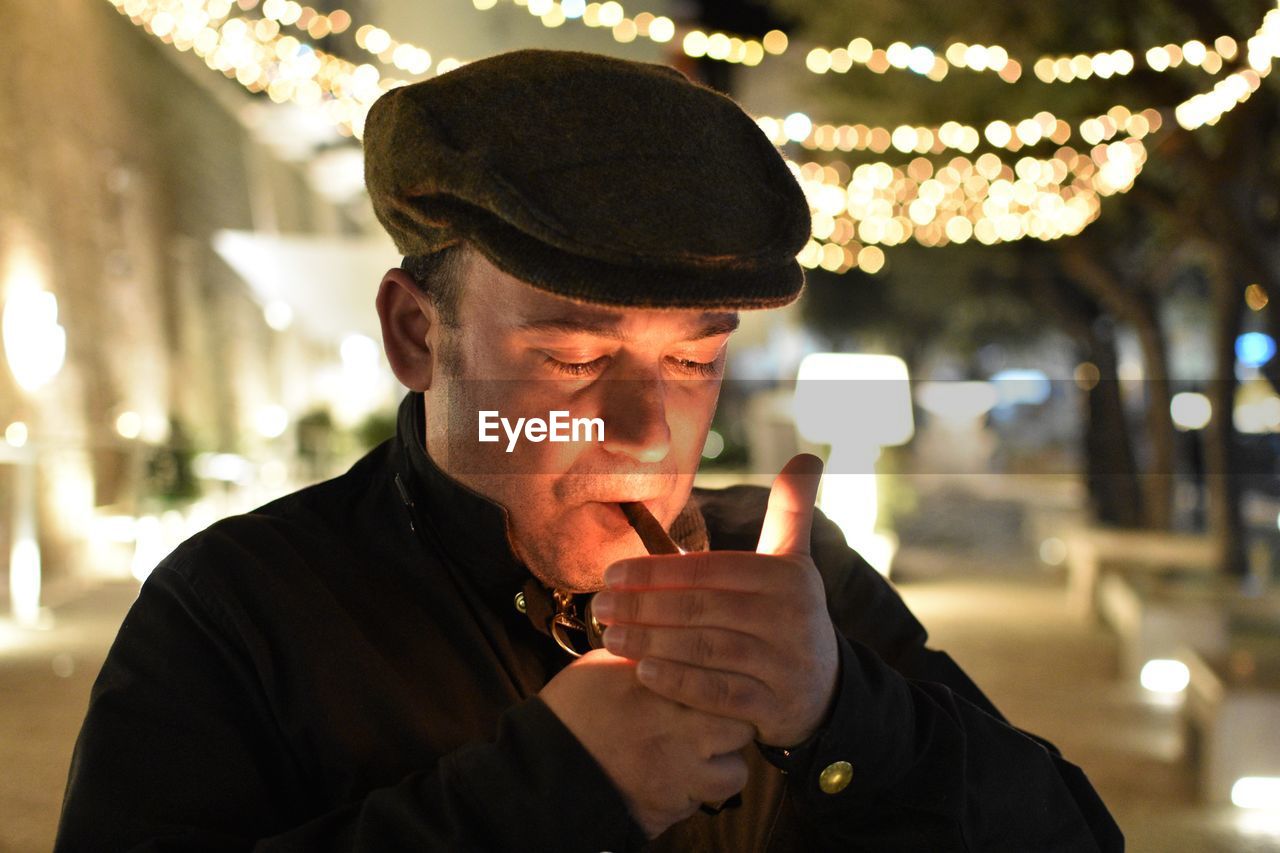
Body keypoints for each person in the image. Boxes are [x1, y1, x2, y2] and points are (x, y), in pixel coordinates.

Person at [56, 49, 1123, 851]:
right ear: (416, 333)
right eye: (570, 357)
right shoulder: (241, 608)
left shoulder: (788, 573)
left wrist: (842, 711)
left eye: (693, 362)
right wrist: (548, 793)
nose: (644, 428)